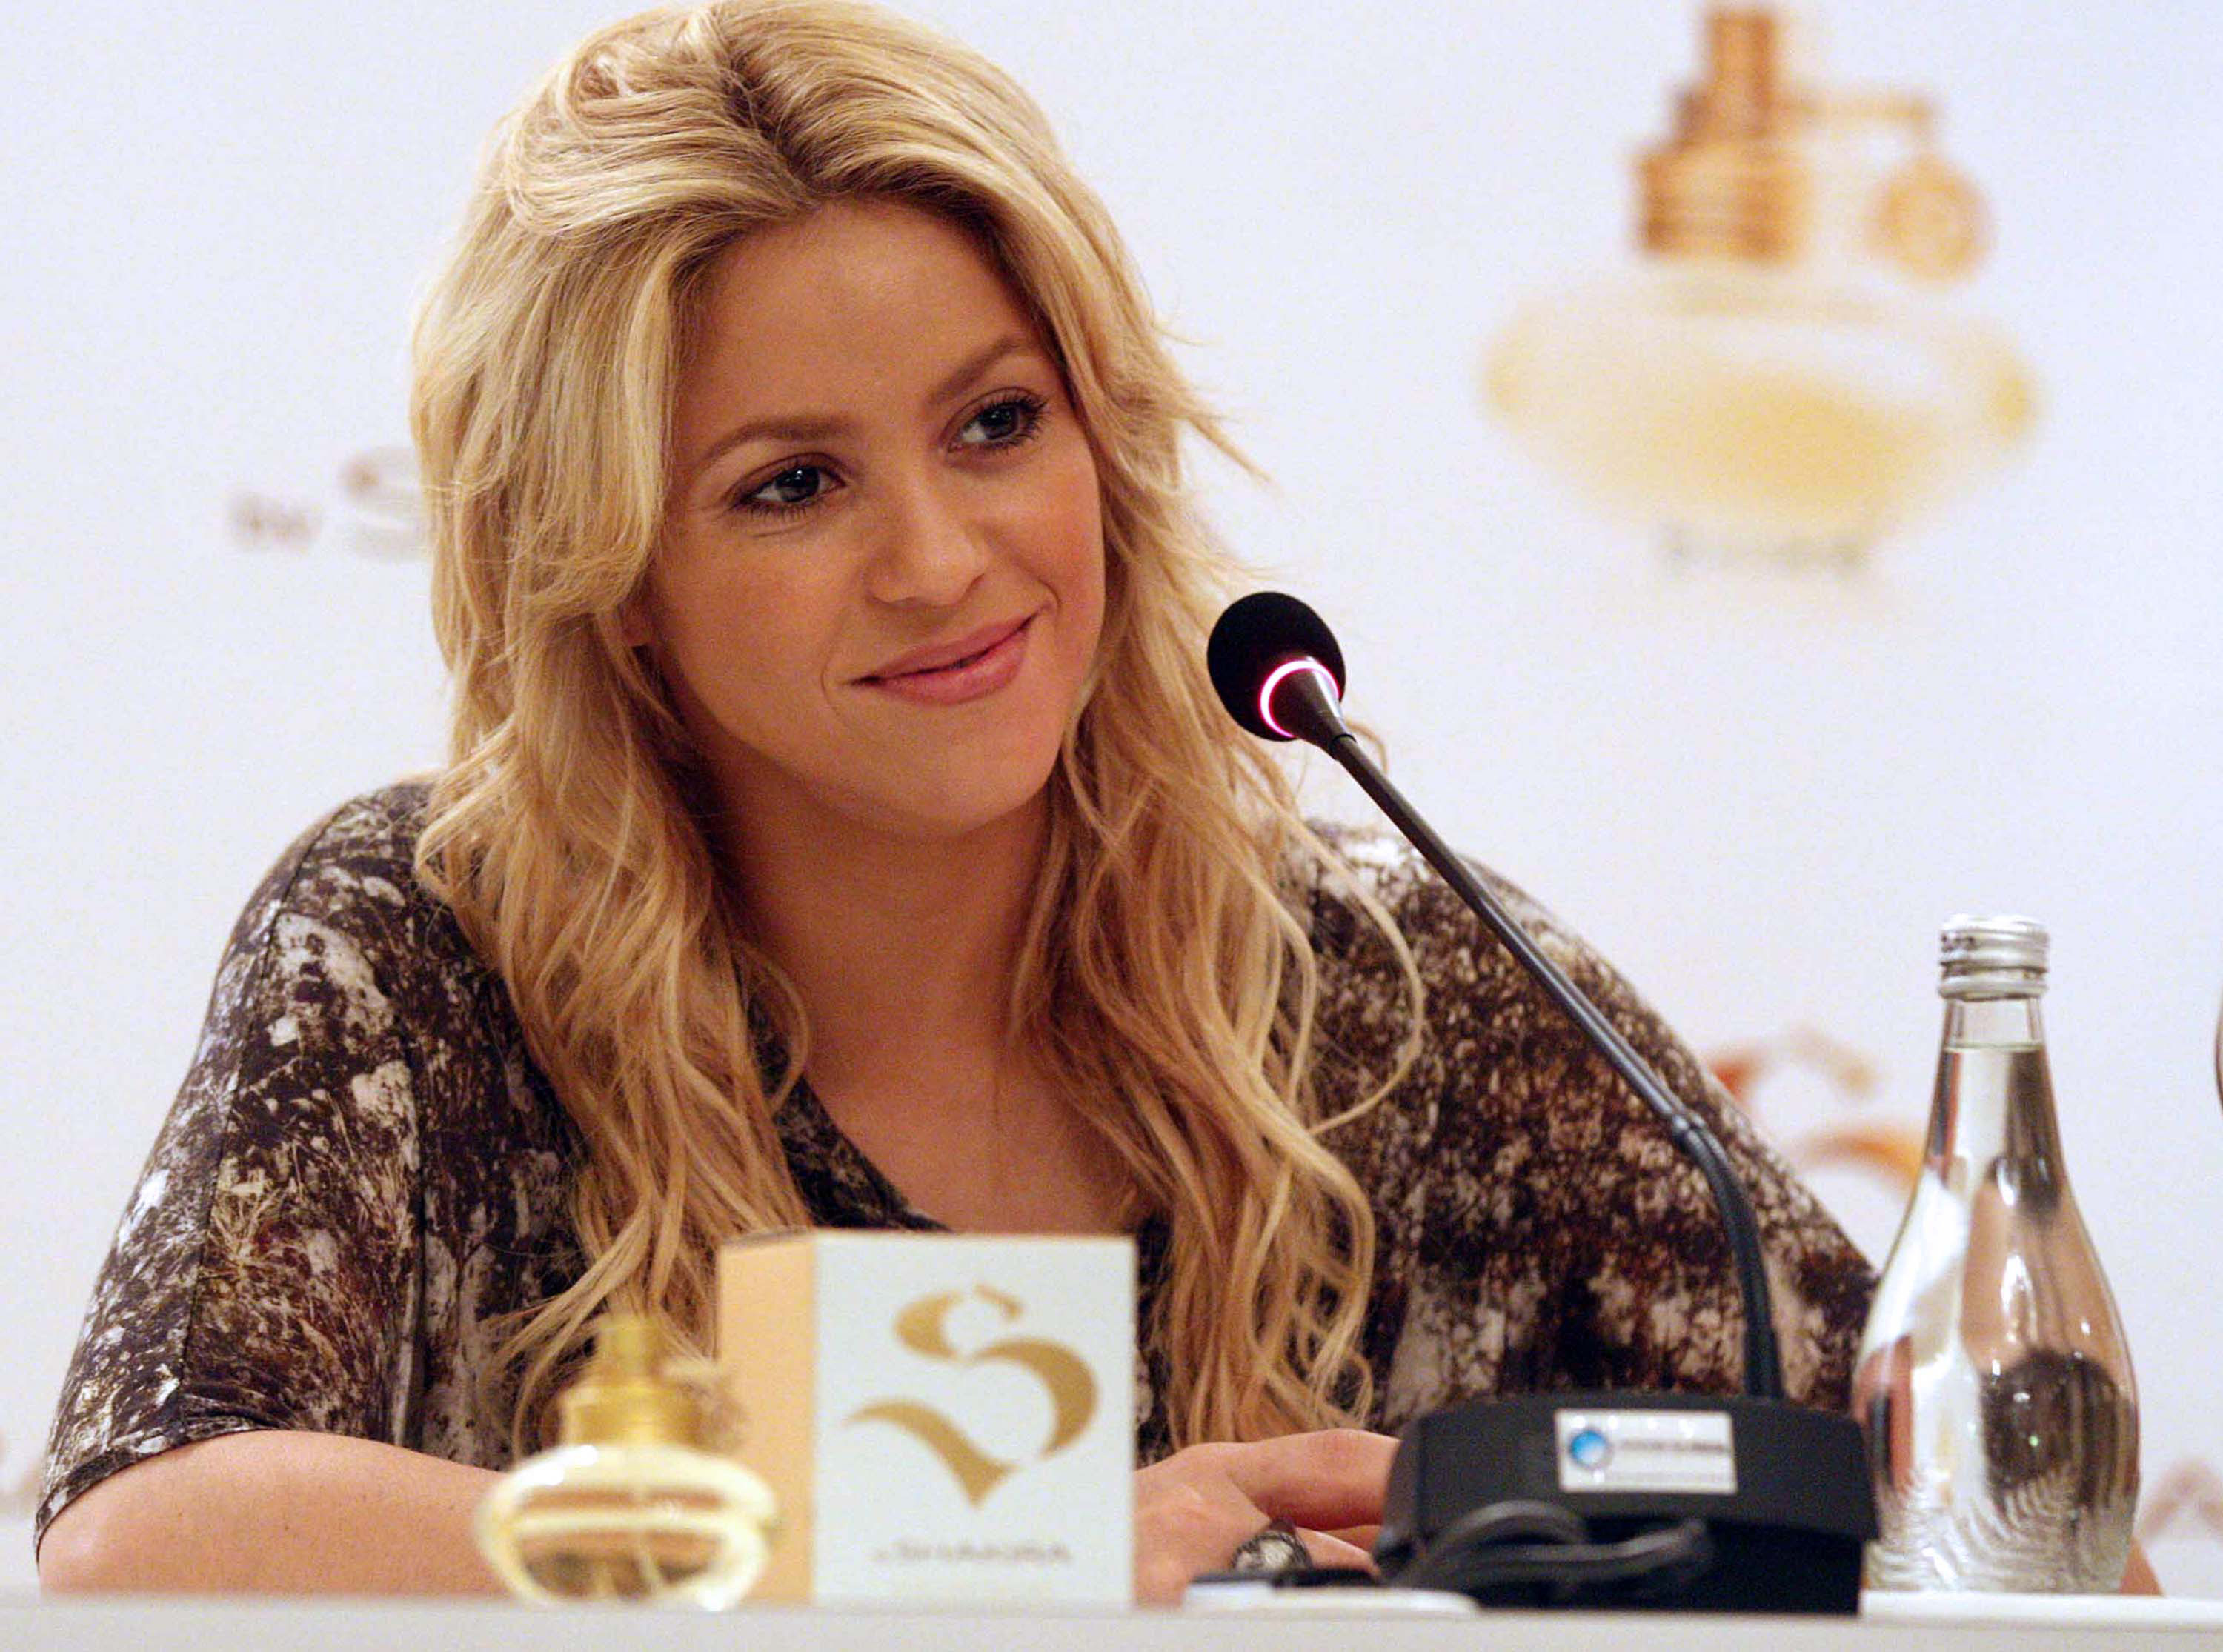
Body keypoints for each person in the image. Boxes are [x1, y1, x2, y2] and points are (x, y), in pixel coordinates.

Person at [36, 0, 1881, 1602]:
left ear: (1104, 440)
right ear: (612, 574)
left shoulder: (1391, 981)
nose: (936, 560)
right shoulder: (426, 944)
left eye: (996, 423)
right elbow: (147, 1529)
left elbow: (1954, 1499)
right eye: (792, 484)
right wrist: (981, 1553)